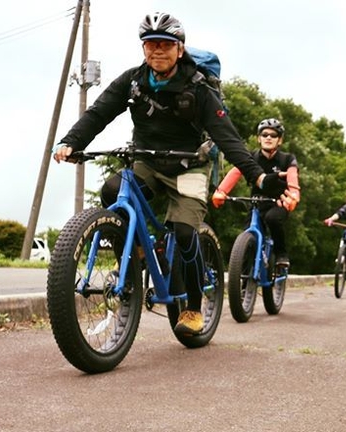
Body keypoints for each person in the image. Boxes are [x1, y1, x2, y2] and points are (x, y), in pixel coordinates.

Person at [52, 12, 270, 336]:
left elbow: (228, 138)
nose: (157, 51)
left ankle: (194, 306)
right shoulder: (133, 81)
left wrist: (259, 177)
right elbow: (99, 112)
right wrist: (72, 141)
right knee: (114, 191)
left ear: (179, 49)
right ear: (143, 48)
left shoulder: (198, 88)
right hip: (148, 160)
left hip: (190, 165)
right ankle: (138, 250)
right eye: (151, 44)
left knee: (184, 234)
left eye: (165, 45)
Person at [210, 118, 300, 268]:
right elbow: (235, 172)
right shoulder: (251, 158)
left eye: (273, 135)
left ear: (280, 140)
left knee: (272, 219)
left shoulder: (287, 159)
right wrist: (221, 191)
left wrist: (294, 196)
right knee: (246, 239)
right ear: (259, 138)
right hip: (256, 203)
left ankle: (281, 255)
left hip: (279, 203)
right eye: (264, 134)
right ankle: (244, 282)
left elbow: (293, 179)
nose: (268, 138)